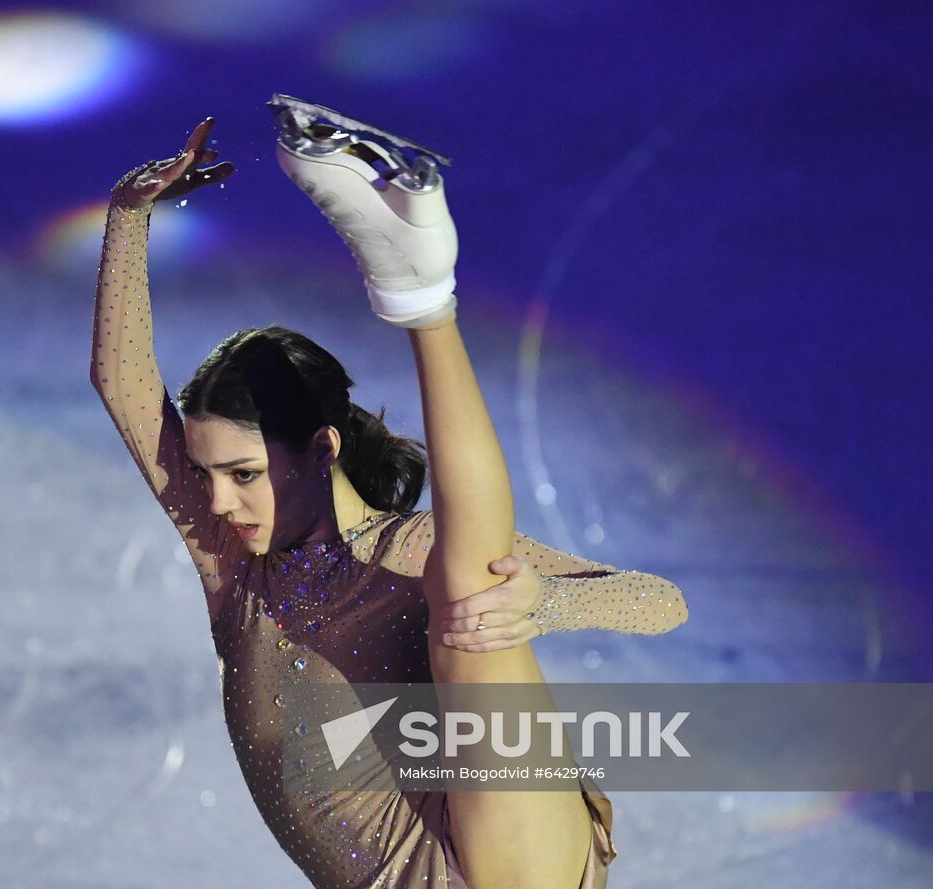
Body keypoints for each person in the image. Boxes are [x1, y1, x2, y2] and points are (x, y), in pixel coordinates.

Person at [90, 115, 687, 888]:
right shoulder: (238, 578)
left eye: (243, 473)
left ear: (321, 448)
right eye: (205, 476)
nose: (217, 503)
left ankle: (422, 293)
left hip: (509, 850)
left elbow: (661, 601)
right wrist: (128, 214)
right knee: (465, 581)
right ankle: (420, 282)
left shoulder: (405, 551)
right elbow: (124, 385)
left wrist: (544, 605)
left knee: (472, 585)